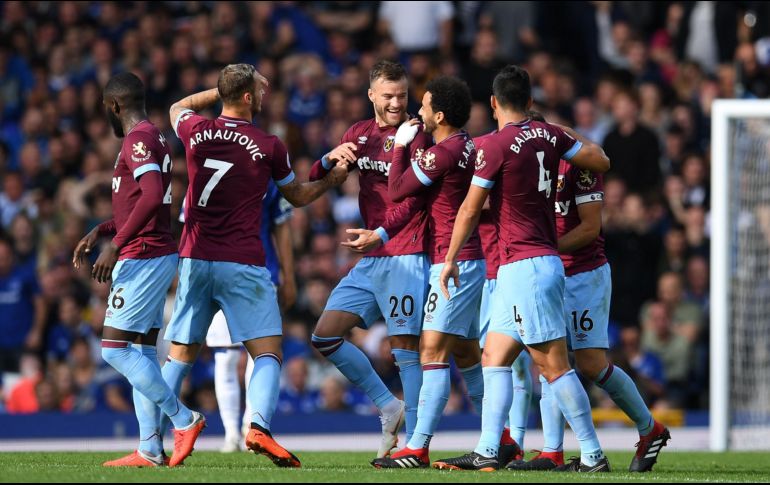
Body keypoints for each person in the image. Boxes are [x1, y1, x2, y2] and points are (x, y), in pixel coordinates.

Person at [162, 63, 346, 468]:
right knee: (267, 353)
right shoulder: (269, 145)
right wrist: (332, 182)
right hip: (242, 261)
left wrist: (220, 91)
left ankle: (151, 440)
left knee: (180, 354)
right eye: (259, 90)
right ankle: (258, 426)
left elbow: (177, 106)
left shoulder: (195, 131)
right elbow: (296, 197)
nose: (264, 96)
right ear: (248, 96)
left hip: (195, 258)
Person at [433, 65, 611, 472]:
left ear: (493, 103)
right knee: (494, 356)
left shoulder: (493, 146)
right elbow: (601, 159)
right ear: (530, 102)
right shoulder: (552, 136)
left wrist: (449, 259)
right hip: (527, 265)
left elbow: (470, 208)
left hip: (527, 265)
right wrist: (557, 131)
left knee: (553, 366)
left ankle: (592, 454)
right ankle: (488, 449)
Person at [72, 72, 204, 468]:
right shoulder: (153, 136)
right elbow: (144, 203)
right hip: (152, 249)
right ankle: (150, 447)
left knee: (113, 349)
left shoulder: (139, 139)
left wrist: (116, 244)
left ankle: (185, 418)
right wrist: (103, 228)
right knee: (142, 351)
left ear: (114, 106)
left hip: (143, 255)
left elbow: (150, 197)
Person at [509, 158, 670, 472]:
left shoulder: (578, 165)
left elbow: (590, 228)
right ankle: (552, 451)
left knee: (590, 363)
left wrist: (545, 250)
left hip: (584, 276)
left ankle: (650, 428)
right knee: (548, 361)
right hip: (549, 274)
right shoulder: (523, 167)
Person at [307, 60, 433, 459]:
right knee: (324, 335)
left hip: (407, 251)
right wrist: (329, 159)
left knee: (405, 349)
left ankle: (414, 443)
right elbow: (316, 177)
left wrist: (380, 234)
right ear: (372, 96)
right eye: (389, 96)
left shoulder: (417, 136)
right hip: (371, 253)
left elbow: (414, 200)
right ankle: (388, 404)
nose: (397, 103)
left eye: (402, 95)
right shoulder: (359, 135)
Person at [371, 76, 498, 468]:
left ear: (439, 115)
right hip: (471, 260)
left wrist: (401, 146)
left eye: (424, 106)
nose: (418, 111)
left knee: (432, 350)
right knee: (465, 351)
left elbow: (396, 190)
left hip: (452, 262)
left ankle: (418, 447)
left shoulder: (441, 153)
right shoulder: (469, 146)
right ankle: (501, 438)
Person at [204, 179, 294, 453]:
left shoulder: (267, 172)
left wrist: (288, 275)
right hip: (226, 271)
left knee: (253, 353)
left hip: (256, 270)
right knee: (229, 354)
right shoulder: (214, 163)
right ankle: (234, 431)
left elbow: (282, 226)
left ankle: (248, 429)